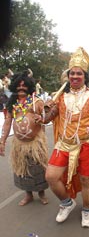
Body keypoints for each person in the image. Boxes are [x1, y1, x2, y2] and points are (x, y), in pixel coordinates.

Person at [35, 47, 89, 228]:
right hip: (64, 144)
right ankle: (67, 203)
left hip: (86, 144)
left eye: (79, 74)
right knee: (51, 177)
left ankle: (86, 211)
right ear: (68, 76)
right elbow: (49, 117)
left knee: (86, 180)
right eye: (72, 74)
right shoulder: (60, 97)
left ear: (85, 77)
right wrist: (44, 114)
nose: (75, 76)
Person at [0, 70, 49, 206]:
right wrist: (2, 141)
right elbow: (8, 122)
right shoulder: (12, 103)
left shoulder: (37, 102)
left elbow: (46, 118)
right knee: (23, 170)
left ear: (29, 86)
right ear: (14, 86)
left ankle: (41, 193)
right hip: (19, 144)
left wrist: (42, 119)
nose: (21, 88)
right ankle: (28, 195)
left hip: (36, 143)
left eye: (24, 85)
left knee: (38, 170)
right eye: (18, 85)